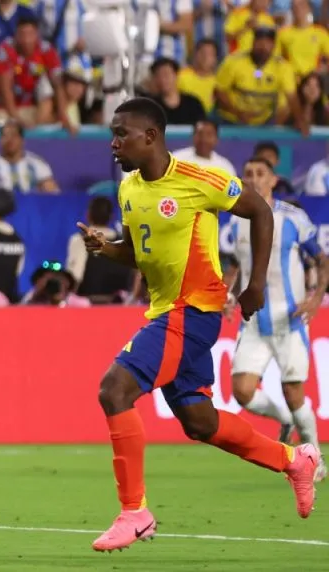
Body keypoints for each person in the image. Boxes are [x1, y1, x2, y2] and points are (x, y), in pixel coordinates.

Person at [78, 97, 320, 553]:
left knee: (114, 390)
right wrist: (107, 248)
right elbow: (137, 251)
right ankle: (294, 459)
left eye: (120, 134)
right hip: (164, 309)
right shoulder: (128, 189)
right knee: (199, 421)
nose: (112, 143)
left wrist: (254, 287)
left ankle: (135, 511)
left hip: (196, 310)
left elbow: (261, 212)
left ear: (149, 136)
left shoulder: (198, 180)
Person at [224, 157, 327, 482]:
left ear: (273, 180)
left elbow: (322, 259)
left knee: (293, 389)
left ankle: (315, 458)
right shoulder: (236, 219)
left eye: (260, 174)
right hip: (253, 321)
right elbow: (233, 267)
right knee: (241, 391)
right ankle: (285, 419)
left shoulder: (293, 218)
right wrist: (226, 295)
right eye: (248, 173)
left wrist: (315, 297)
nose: (253, 178)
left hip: (290, 320)